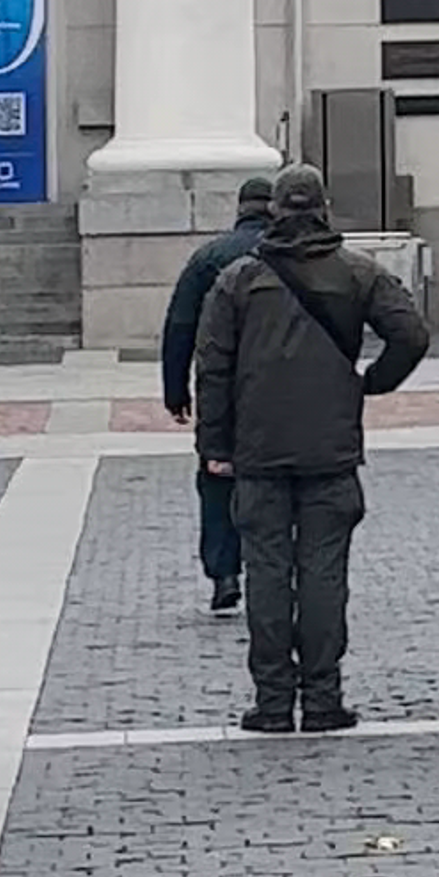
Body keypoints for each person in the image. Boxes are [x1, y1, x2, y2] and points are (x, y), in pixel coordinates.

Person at [192, 166, 430, 733]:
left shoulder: (239, 280)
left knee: (268, 571)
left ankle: (273, 701)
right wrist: (371, 383)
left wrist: (214, 444)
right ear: (323, 208)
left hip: (258, 448)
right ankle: (323, 697)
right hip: (330, 446)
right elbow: (412, 335)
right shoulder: (357, 272)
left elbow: (213, 367)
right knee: (325, 570)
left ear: (274, 210)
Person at [161, 174, 275, 615]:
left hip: (221, 386)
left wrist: (175, 389)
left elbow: (180, 325)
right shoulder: (291, 256)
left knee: (217, 477)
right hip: (278, 387)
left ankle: (224, 573)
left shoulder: (209, 257)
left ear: (240, 209)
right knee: (276, 480)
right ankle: (273, 569)